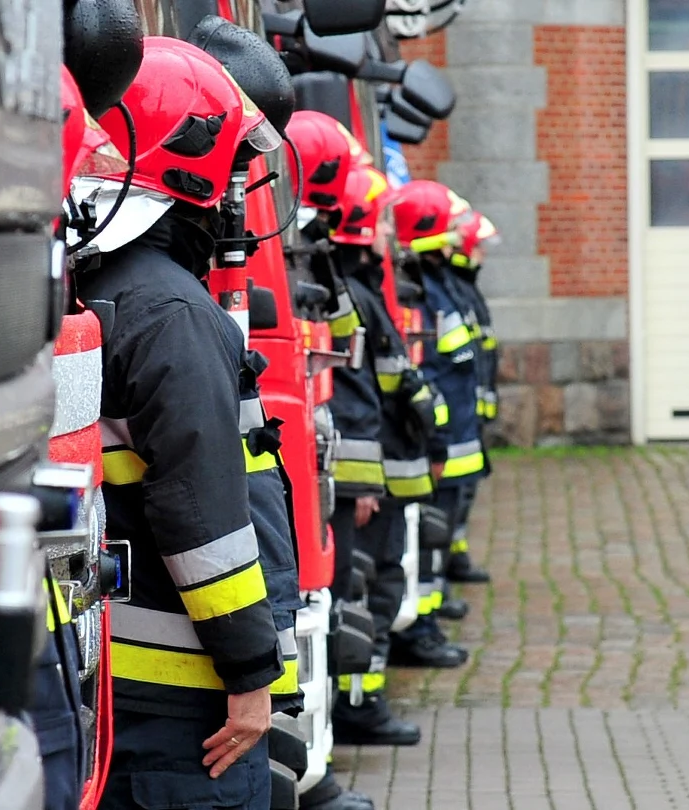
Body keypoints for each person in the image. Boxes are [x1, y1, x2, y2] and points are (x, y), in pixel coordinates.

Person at [69, 38, 288, 810]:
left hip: (119, 674)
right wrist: (251, 673)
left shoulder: (96, 287)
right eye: (228, 172)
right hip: (190, 704)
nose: (231, 196)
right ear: (186, 164)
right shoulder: (172, 313)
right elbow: (202, 515)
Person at [285, 109, 380, 810]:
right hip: (315, 455)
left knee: (334, 589)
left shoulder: (314, 257)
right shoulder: (300, 254)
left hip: (324, 453)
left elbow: (346, 363)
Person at [327, 162, 436, 743]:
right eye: (382, 223)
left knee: (375, 582)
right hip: (368, 474)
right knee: (367, 587)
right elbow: (357, 394)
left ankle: (361, 702)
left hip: (379, 469)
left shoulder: (355, 292)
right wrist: (362, 483)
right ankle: (359, 707)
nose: (390, 235)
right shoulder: (353, 297)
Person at [387, 179, 483, 667]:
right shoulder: (420, 294)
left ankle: (429, 612)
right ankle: (418, 629)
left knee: (436, 536)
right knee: (424, 537)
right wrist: (438, 443)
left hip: (449, 440)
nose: (457, 242)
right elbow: (426, 375)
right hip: (434, 445)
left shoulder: (436, 286)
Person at [445, 210, 502, 583]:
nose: (482, 253)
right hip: (459, 411)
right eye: (478, 246)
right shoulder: (452, 287)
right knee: (455, 493)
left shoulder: (464, 287)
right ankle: (451, 556)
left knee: (465, 491)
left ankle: (456, 552)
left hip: (471, 409)